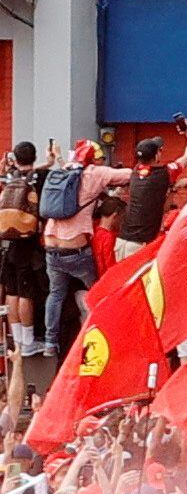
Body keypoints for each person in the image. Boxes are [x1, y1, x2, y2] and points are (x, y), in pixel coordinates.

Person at [39, 141, 127, 359]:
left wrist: (57, 157)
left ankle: (50, 343)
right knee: (98, 291)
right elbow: (131, 175)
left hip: (51, 246)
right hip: (75, 249)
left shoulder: (65, 170)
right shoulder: (95, 173)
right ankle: (102, 331)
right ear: (93, 159)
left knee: (56, 294)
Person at [117, 122, 187, 259]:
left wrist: (173, 187)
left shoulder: (135, 172)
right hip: (140, 244)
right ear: (157, 155)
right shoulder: (163, 173)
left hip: (122, 241)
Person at [0, 142, 43, 356]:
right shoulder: (38, 179)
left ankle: (16, 338)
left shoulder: (10, 178)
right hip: (28, 242)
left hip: (8, 241)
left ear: (15, 159)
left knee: (11, 290)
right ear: (34, 157)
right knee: (26, 292)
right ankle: (27, 342)